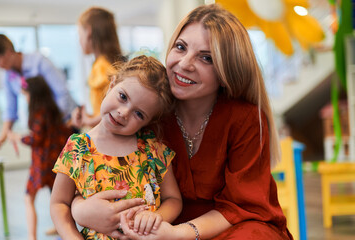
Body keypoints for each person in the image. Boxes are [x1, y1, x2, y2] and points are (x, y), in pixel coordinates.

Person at [70, 4, 293, 240]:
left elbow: (244, 206)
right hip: (156, 228)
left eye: (206, 58)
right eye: (180, 47)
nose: (185, 63)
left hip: (233, 228)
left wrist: (180, 234)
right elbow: (89, 171)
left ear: (227, 70)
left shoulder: (244, 118)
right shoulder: (147, 112)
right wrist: (80, 209)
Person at [50, 55, 182, 240]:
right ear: (112, 84)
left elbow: (174, 199)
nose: (123, 112)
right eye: (123, 97)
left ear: (149, 121)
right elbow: (59, 203)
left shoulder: (152, 149)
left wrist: (156, 217)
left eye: (138, 113)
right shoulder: (77, 148)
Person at [7, 76, 73, 240]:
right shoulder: (53, 110)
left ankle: (31, 236)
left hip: (41, 162)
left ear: (33, 94)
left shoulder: (38, 113)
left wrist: (18, 138)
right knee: (58, 199)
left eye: (25, 95)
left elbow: (36, 139)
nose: (25, 98)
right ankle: (61, 229)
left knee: (28, 197)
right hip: (55, 160)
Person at [0, 34, 77, 148]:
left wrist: (51, 124)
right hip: (43, 126)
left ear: (8, 52)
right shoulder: (8, 76)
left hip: (64, 121)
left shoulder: (39, 61)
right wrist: (2, 137)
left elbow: (62, 93)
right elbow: (10, 109)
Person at [71, 7, 125, 129]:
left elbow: (116, 110)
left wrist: (88, 121)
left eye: (80, 34)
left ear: (88, 32)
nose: (79, 40)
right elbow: (104, 109)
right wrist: (89, 117)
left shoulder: (102, 67)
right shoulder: (107, 64)